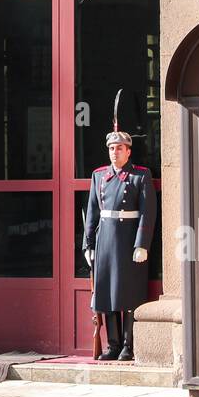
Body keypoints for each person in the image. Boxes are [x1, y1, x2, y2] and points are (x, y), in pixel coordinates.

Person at [83, 93, 154, 361]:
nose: (115, 152)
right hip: (105, 241)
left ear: (128, 151)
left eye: (120, 148)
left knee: (129, 295)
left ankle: (128, 345)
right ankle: (112, 344)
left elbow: (148, 213)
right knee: (107, 294)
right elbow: (92, 212)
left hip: (128, 241)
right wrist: (88, 244)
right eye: (112, 149)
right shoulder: (99, 176)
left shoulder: (140, 176)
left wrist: (142, 244)